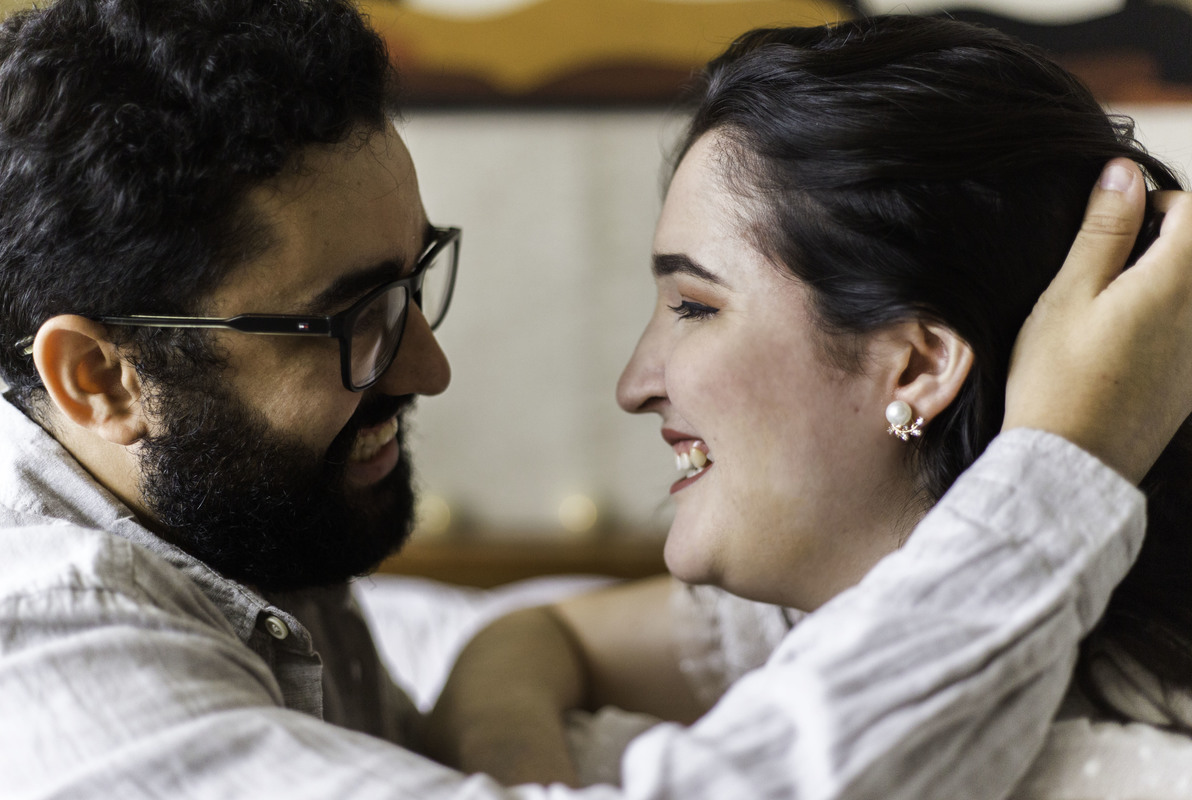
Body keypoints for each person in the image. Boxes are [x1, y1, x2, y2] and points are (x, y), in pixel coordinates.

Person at [0, 2, 1190, 798]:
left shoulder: (239, 519)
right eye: (349, 318)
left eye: (413, 283)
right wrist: (1065, 458)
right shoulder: (51, 677)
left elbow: (529, 635)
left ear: (919, 366)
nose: (427, 367)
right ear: (98, 379)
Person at [425, 16, 1192, 798]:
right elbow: (534, 635)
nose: (633, 385)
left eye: (694, 306)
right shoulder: (840, 606)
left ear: (917, 367)